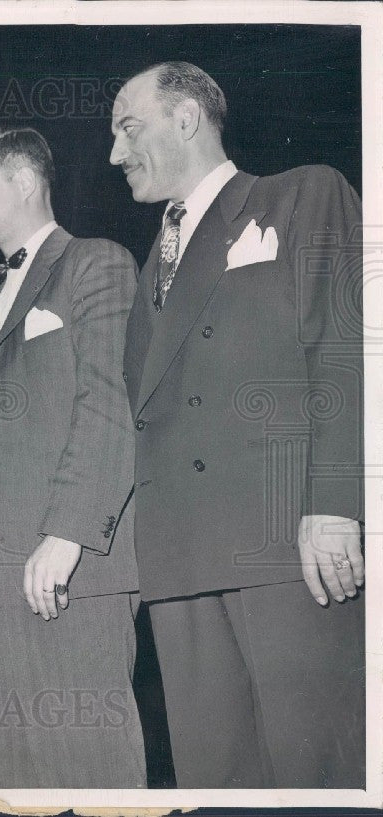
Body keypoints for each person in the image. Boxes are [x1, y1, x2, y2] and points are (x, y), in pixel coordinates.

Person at [110, 61, 365, 788]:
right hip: (180, 562)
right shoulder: (148, 266)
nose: (114, 153)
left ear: (185, 117)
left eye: (128, 128)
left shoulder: (301, 194)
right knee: (215, 778)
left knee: (321, 769)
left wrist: (337, 503)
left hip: (286, 543)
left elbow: (347, 353)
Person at [0, 127, 145, 788]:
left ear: (25, 181)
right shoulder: (2, 294)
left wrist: (68, 530)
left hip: (70, 568)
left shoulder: (96, 262)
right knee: (18, 777)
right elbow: (18, 435)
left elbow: (109, 405)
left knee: (93, 765)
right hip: (2, 587)